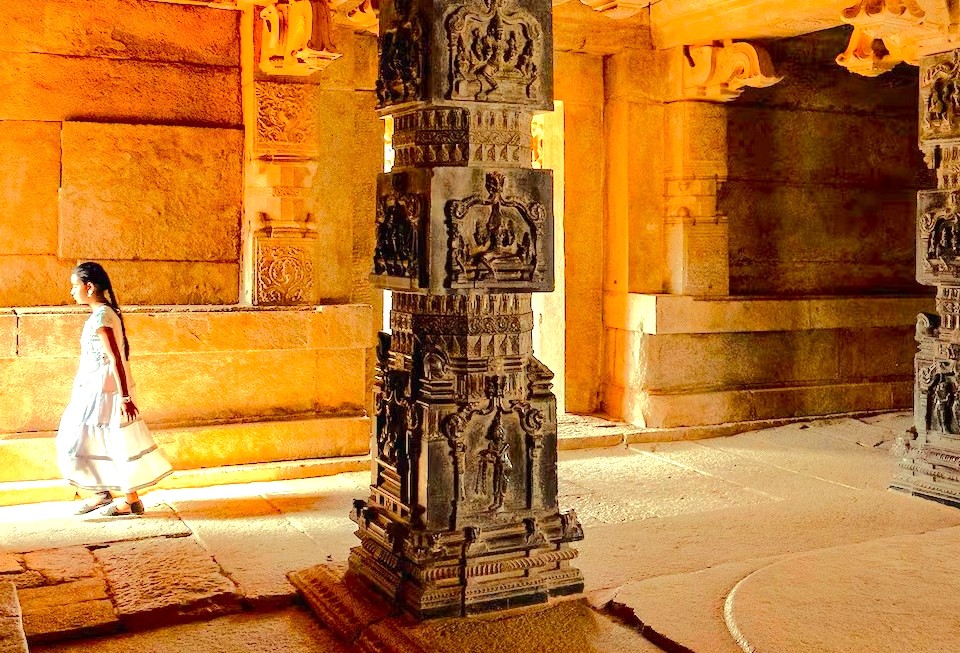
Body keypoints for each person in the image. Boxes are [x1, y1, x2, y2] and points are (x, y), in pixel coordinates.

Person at [56, 262, 172, 516]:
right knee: (88, 440)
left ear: (89, 287)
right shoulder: (103, 314)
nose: (72, 292)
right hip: (94, 388)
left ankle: (128, 498)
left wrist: (125, 397)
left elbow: (115, 357)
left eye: (75, 286)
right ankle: (104, 492)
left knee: (101, 441)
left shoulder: (102, 317)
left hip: (105, 392)